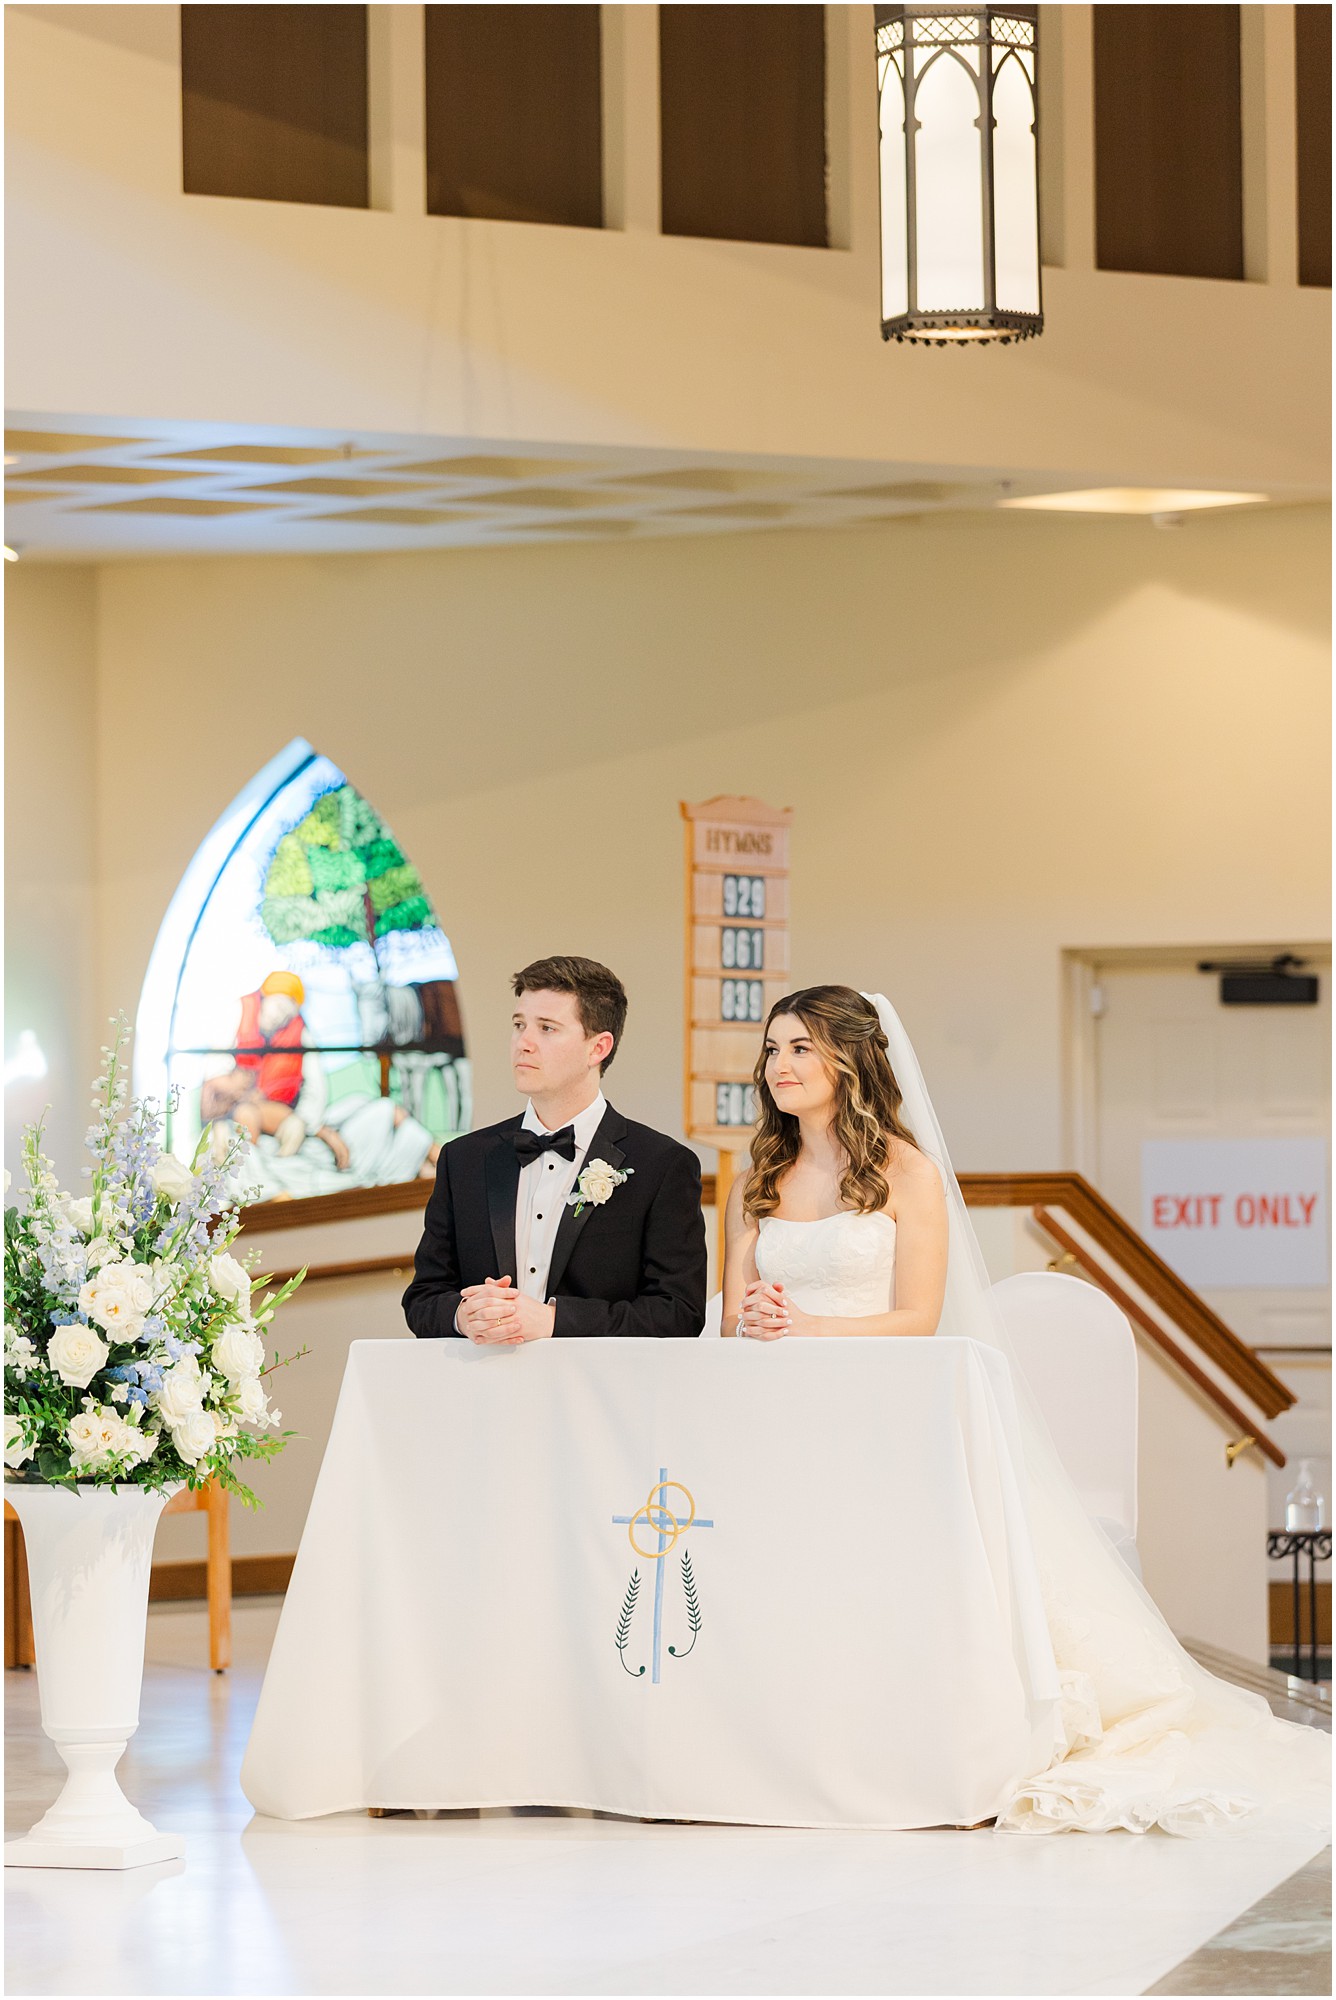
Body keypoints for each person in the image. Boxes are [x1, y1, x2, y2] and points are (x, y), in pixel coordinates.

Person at [722, 985, 1329, 1837]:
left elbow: (918, 1319)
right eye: (773, 1048)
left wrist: (808, 1326)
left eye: (800, 1048)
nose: (778, 1066)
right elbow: (731, 1317)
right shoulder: (758, 1178)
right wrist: (752, 1324)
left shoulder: (907, 1173)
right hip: (783, 1426)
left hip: (885, 1422)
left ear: (851, 1060)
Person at [403, 956, 706, 1343]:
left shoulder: (662, 1165)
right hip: (483, 1391)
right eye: (519, 1025)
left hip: (601, 1395)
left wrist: (553, 1321)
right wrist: (463, 1316)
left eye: (547, 1028)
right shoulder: (463, 1158)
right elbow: (423, 1298)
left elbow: (679, 1314)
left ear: (598, 1047)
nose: (523, 1043)